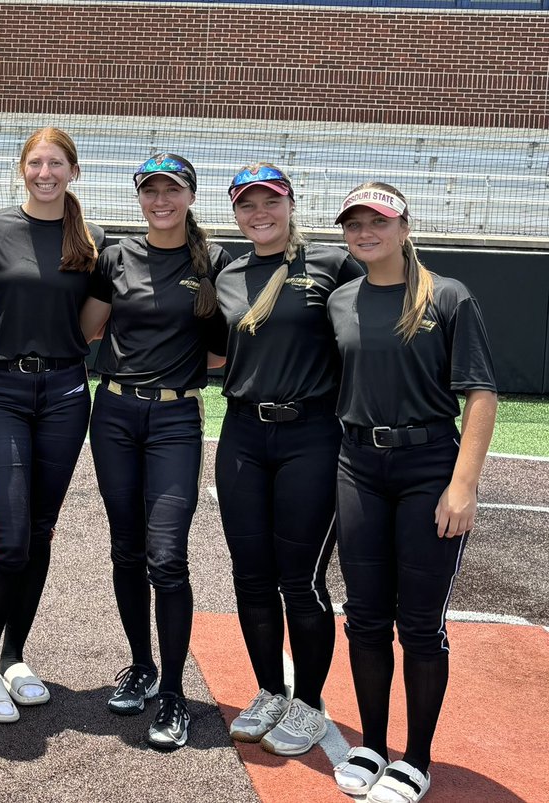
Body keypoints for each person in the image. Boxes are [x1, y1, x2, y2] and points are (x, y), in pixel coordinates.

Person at [327, 183, 496, 803]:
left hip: (428, 466)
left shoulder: (447, 296)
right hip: (356, 467)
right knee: (365, 617)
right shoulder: (340, 301)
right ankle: (372, 743)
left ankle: (416, 757)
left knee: (420, 625)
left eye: (378, 221)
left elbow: (481, 394)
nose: (365, 232)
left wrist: (462, 486)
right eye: (354, 223)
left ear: (403, 227)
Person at [79, 153, 230, 749]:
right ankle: (141, 666)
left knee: (167, 555)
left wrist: (173, 370)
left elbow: (219, 353)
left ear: (190, 195)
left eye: (172, 190)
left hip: (174, 416)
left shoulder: (216, 262)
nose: (160, 200)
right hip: (113, 411)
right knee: (127, 548)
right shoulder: (114, 256)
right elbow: (91, 329)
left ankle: (172, 692)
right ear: (139, 196)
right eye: (150, 190)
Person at [213, 163, 364, 756]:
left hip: (313, 435)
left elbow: (368, 331)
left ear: (290, 203)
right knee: (249, 575)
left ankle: (309, 703)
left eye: (270, 202)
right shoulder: (227, 273)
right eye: (247, 205)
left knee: (299, 580)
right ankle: (271, 690)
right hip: (244, 434)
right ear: (235, 213)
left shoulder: (331, 265)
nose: (260, 214)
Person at [0, 127, 103, 723]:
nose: (46, 173)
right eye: (36, 162)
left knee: (41, 531)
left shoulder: (92, 240)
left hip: (68, 392)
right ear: (22, 169)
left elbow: (92, 327)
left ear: (73, 171)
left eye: (57, 163)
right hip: (1, 389)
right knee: (11, 537)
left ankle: (15, 654)